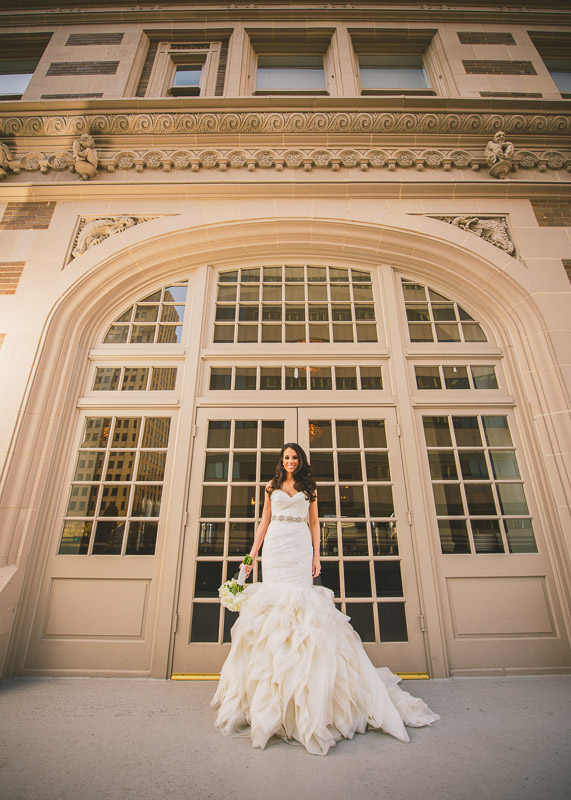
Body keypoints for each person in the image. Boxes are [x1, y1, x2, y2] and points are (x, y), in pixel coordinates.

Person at [211, 443, 439, 755]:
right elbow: (263, 522)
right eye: (286, 457)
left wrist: (318, 556)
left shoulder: (310, 487)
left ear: (301, 461)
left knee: (304, 611)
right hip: (276, 548)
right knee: (274, 610)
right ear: (282, 461)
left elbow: (315, 523)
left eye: (295, 457)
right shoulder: (271, 486)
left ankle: (310, 698)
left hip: (300, 548)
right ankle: (270, 697)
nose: (290, 461)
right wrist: (251, 557)